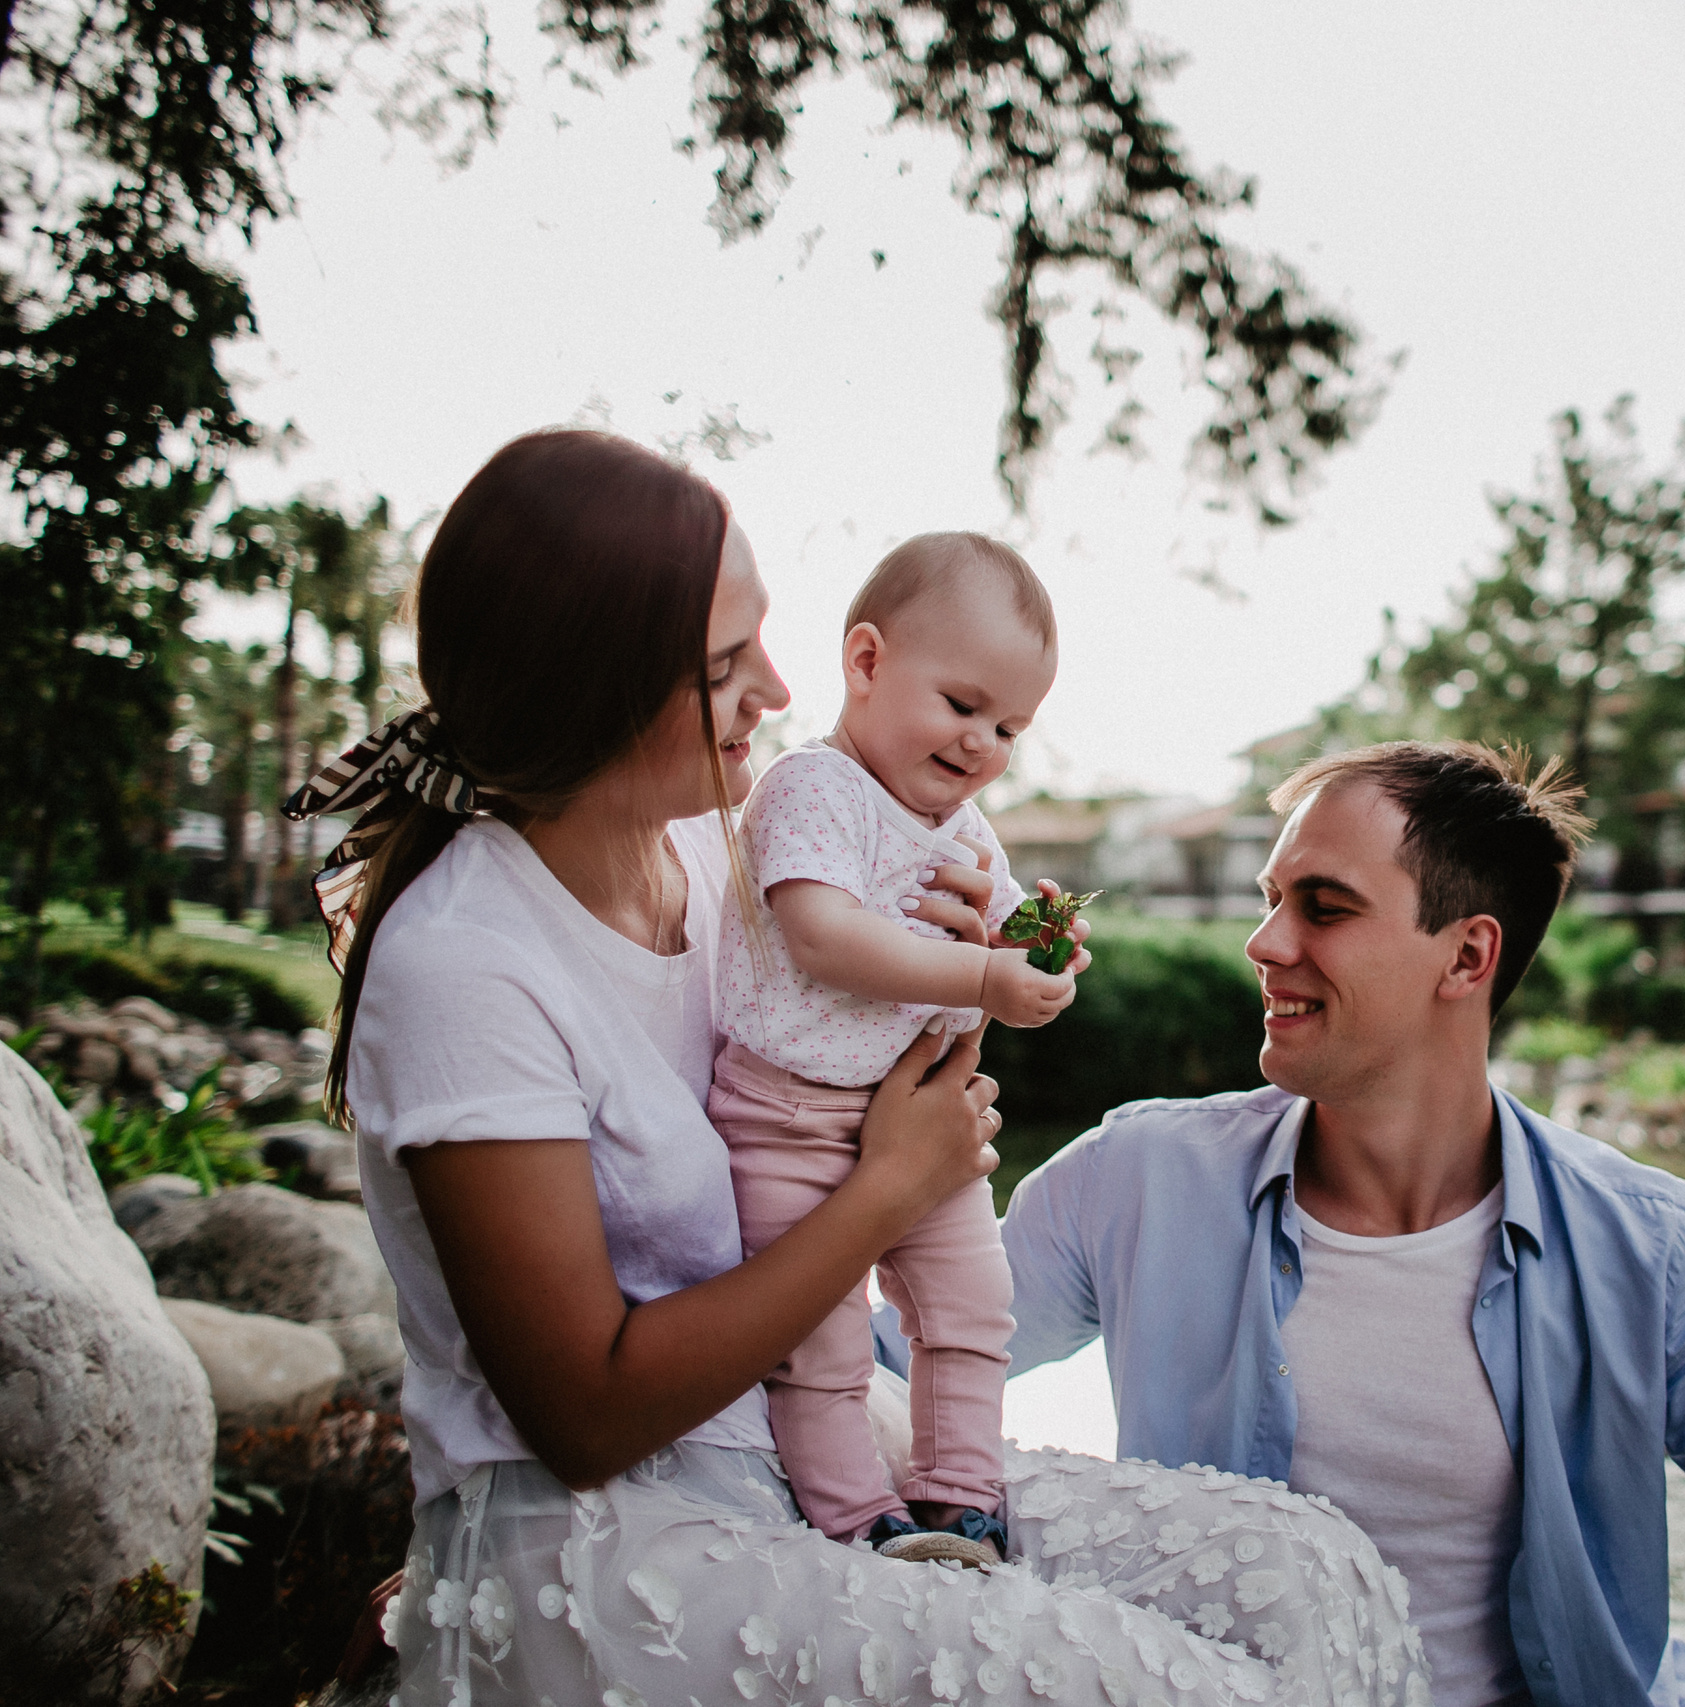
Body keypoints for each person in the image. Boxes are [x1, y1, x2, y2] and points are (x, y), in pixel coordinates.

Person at [298, 429, 1424, 1707]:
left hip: (783, 1433)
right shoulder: (467, 959)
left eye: (764, 641)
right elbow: (585, 1418)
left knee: (1315, 1572)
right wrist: (887, 1195)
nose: (779, 691)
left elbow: (881, 1032)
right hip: (611, 1529)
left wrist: (985, 956)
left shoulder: (719, 867)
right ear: (593, 687)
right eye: (726, 665)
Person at [997, 741, 1685, 1707]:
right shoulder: (1135, 1180)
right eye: (1271, 896)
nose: (1263, 942)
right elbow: (883, 1372)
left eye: (1323, 906)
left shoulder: (1653, 1252)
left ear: (1466, 957)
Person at [710, 532, 1078, 1567]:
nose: (980, 745)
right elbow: (825, 937)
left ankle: (962, 1493)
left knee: (973, 1303)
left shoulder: (966, 827)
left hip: (918, 1116)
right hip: (786, 1116)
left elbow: (997, 954)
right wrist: (980, 979)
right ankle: (852, 1519)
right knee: (819, 1338)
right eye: (961, 706)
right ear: (865, 663)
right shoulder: (811, 790)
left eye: (1009, 726)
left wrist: (1038, 960)